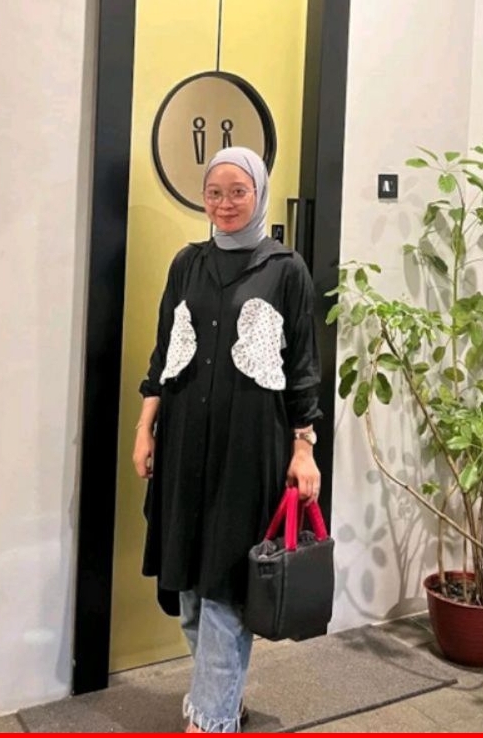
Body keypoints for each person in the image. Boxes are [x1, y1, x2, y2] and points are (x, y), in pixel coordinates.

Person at [132, 146, 323, 733]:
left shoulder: (286, 269)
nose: (225, 203)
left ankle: (211, 720)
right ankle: (224, 697)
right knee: (190, 586)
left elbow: (302, 368)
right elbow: (164, 354)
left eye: (238, 191)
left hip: (249, 448)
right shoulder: (187, 264)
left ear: (259, 193)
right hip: (184, 443)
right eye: (214, 192)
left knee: (224, 589)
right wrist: (144, 429)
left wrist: (304, 448)